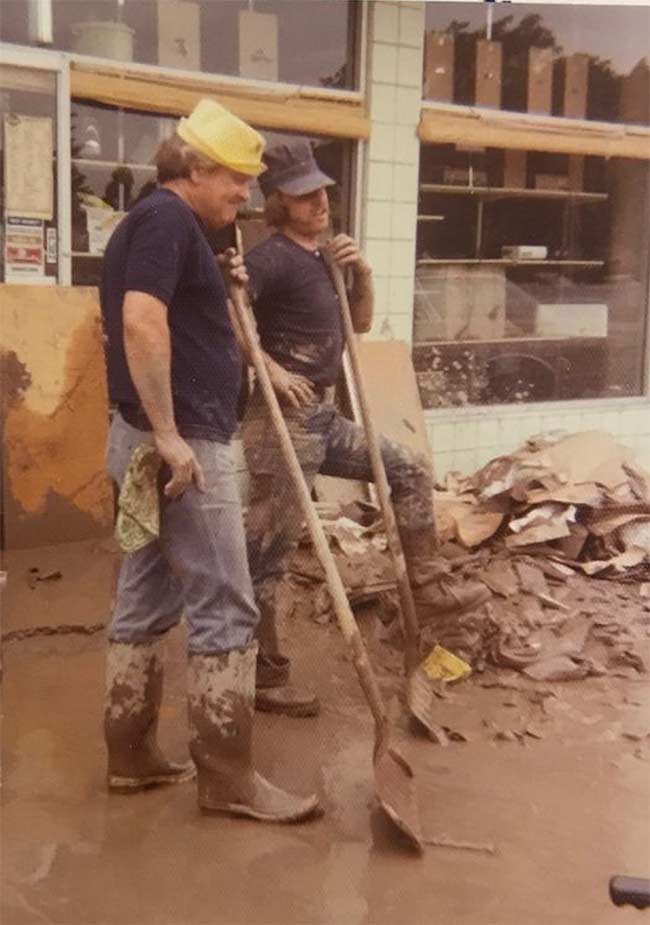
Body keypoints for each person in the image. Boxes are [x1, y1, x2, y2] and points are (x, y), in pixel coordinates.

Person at [100, 100, 319, 823]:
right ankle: (227, 778)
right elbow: (139, 319)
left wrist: (224, 285)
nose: (247, 195)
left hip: (150, 438)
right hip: (184, 443)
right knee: (227, 601)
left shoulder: (167, 226)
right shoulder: (165, 221)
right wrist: (169, 434)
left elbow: (182, 317)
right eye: (236, 180)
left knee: (145, 596)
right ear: (194, 170)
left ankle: (129, 753)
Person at [240, 140, 489, 717]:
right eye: (306, 195)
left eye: (323, 190)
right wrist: (272, 371)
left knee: (407, 466)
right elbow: (233, 317)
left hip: (324, 416)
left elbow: (361, 322)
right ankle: (261, 677)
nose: (321, 201)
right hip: (282, 424)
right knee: (269, 556)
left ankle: (426, 587)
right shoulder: (270, 257)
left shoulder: (322, 256)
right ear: (278, 201)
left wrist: (362, 273)